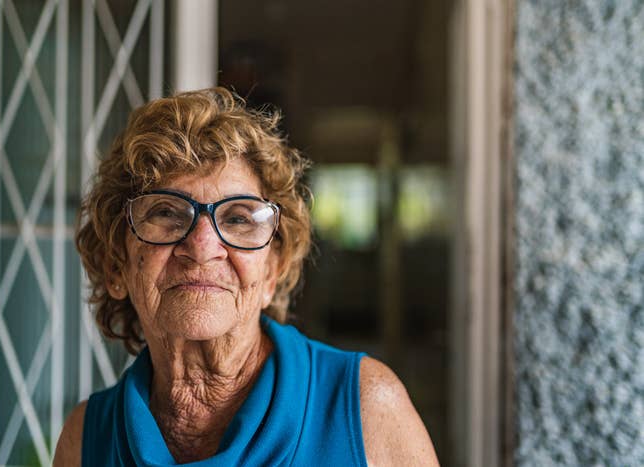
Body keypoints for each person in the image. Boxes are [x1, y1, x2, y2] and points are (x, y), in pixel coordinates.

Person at [54, 88, 439, 466]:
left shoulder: (366, 407)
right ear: (116, 266)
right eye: (167, 214)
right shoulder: (86, 439)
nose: (203, 247)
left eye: (238, 218)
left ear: (272, 270)